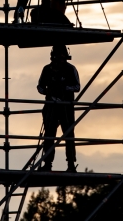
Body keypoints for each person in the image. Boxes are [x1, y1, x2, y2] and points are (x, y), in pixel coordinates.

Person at [36, 44, 80, 172]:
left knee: (69, 134)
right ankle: (48, 164)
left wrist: (64, 88)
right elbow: (39, 86)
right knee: (49, 135)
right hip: (51, 107)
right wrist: (48, 91)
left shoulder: (71, 69)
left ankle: (71, 164)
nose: (60, 59)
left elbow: (77, 87)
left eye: (62, 55)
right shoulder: (47, 69)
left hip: (66, 107)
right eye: (58, 56)